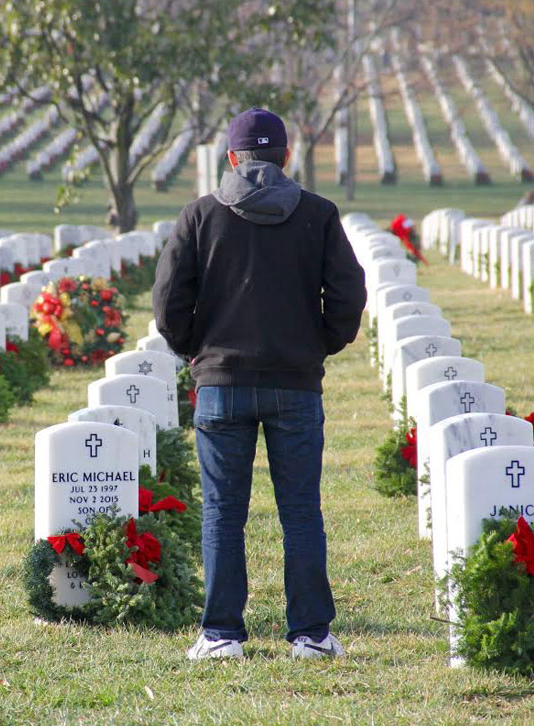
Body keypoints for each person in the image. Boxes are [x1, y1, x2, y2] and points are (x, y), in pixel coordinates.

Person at [152, 107, 366, 660]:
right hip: (295, 384)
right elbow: (347, 295)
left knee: (224, 511)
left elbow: (169, 301)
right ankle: (311, 635)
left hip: (221, 383)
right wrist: (318, 344)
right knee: (300, 510)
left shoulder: (200, 215)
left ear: (231, 159)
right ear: (286, 157)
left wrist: (197, 352)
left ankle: (222, 634)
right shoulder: (318, 214)